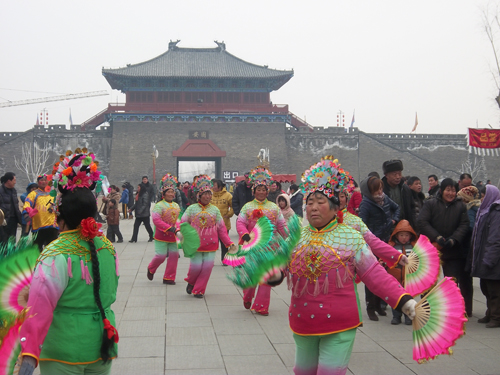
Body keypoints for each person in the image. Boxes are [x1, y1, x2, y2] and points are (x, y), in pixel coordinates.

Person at [285, 156, 416, 375]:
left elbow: (374, 274)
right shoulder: (296, 236)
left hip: (339, 321)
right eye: (309, 202)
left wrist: (403, 300)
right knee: (302, 371)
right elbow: (278, 268)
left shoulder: (351, 236)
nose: (313, 208)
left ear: (336, 208)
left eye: (320, 202)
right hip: (302, 319)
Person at [18, 148, 119, 375]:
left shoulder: (55, 254)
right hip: (102, 343)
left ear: (58, 215)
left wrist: (29, 354)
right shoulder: (108, 247)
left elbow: (40, 309)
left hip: (64, 349)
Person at [418, 178, 472, 316]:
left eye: (453, 190)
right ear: (441, 191)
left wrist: (454, 239)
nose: (451, 193)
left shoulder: (460, 206)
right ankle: (427, 309)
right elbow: (423, 222)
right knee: (428, 281)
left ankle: (452, 310)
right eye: (448, 190)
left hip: (453, 251)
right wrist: (436, 237)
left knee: (452, 282)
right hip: (432, 248)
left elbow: (464, 225)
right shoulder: (430, 203)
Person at [237, 167, 286, 316]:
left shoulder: (274, 208)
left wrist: (288, 239)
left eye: (264, 189)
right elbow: (240, 223)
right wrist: (245, 235)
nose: (261, 192)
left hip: (270, 247)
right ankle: (248, 296)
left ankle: (261, 306)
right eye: (258, 189)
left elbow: (281, 225)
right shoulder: (248, 207)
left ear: (267, 191)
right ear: (254, 190)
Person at [181, 175, 235, 298]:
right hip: (196, 244)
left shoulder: (215, 210)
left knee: (207, 267)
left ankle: (199, 289)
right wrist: (182, 236)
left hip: (211, 244)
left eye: (209, 194)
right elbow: (183, 223)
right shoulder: (191, 209)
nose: (208, 196)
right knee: (196, 266)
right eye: (204, 194)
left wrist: (228, 243)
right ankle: (191, 281)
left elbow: (221, 229)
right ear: (199, 195)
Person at [359, 176, 400, 321]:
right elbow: (361, 225)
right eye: (376, 189)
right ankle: (370, 307)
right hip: (371, 244)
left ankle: (378, 305)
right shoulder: (366, 204)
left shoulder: (385, 199)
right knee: (371, 275)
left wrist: (393, 219)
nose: (379, 192)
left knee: (383, 275)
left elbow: (397, 208)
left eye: (380, 188)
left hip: (385, 241)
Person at [471, 185, 500, 328]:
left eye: (484, 195)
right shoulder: (486, 211)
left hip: (493, 258)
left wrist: (489, 258)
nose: (482, 199)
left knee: (495, 290)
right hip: (485, 255)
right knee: (486, 287)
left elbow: (495, 238)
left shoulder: (497, 212)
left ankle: (496, 317)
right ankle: (490, 313)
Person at [147, 173, 181, 285]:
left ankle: (169, 277)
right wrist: (169, 228)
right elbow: (156, 220)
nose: (171, 194)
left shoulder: (176, 206)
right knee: (160, 256)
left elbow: (179, 219)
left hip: (173, 235)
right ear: (163, 194)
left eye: (172, 192)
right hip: (161, 235)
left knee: (174, 256)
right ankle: (151, 268)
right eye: (169, 192)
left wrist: (179, 229)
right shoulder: (159, 205)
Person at [387, 220, 417, 325]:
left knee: (408, 297)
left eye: (406, 235)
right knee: (395, 297)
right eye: (401, 235)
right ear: (396, 235)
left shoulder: (414, 247)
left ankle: (408, 316)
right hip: (394, 276)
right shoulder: (391, 245)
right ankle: (396, 316)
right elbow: (384, 256)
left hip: (409, 277)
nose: (404, 238)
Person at [22, 175, 59, 251]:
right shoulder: (33, 194)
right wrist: (26, 213)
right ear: (38, 182)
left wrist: (54, 207)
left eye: (46, 180)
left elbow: (58, 203)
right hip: (39, 225)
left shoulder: (53, 193)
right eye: (41, 180)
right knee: (37, 248)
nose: (44, 182)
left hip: (52, 225)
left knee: (52, 248)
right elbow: (27, 204)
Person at [381, 159, 416, 229]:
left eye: (399, 174)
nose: (398, 177)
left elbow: (412, 208)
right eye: (394, 174)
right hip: (388, 228)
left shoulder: (405, 188)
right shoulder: (381, 190)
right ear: (386, 175)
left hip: (405, 227)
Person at [211, 179, 234, 263]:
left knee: (224, 242)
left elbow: (232, 206)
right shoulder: (210, 195)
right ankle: (210, 260)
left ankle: (224, 259)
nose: (213, 187)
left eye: (214, 185)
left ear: (220, 187)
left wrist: (229, 214)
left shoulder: (228, 195)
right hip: (211, 224)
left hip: (224, 222)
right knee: (212, 242)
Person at [0, 172, 22, 244]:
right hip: (4, 221)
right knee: (3, 241)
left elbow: (16, 206)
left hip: (13, 220)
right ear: (9, 181)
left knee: (12, 241)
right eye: (14, 180)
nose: (15, 182)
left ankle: (11, 255)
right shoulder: (1, 191)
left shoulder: (14, 191)